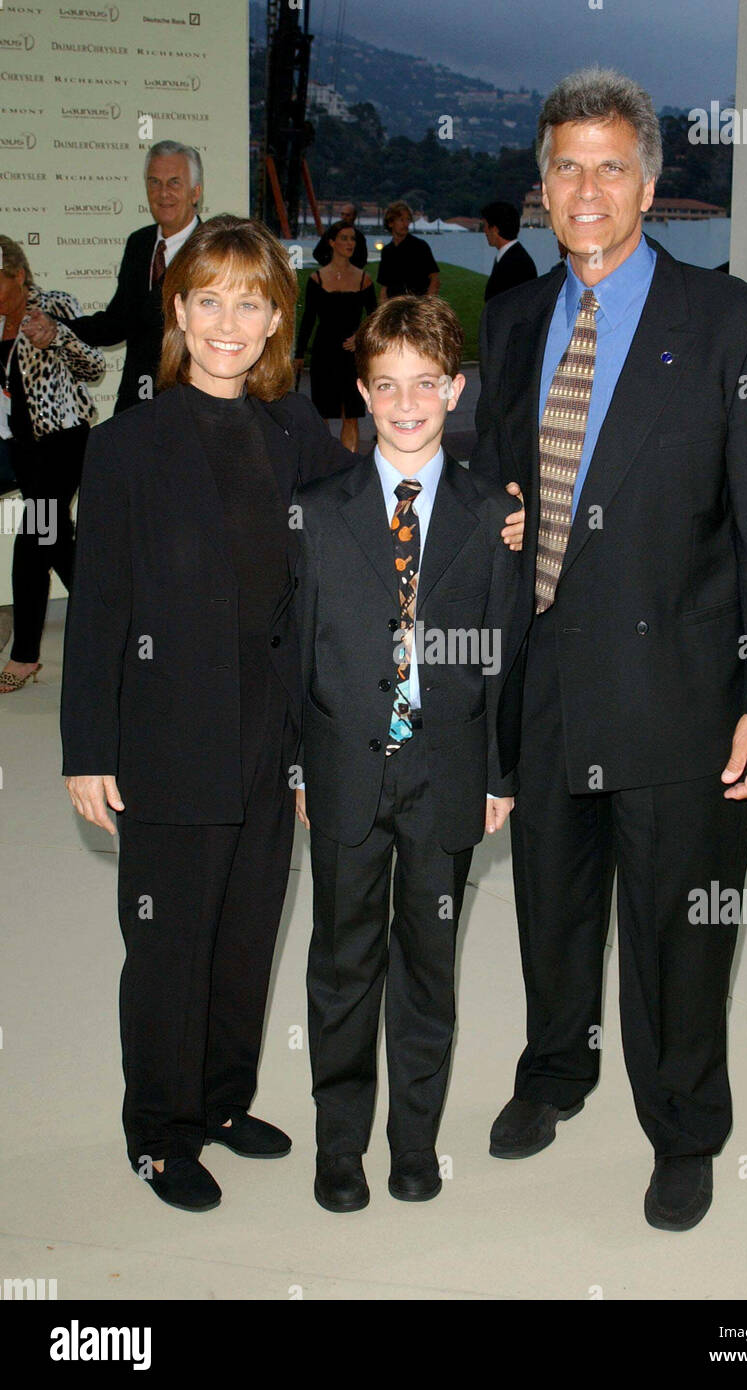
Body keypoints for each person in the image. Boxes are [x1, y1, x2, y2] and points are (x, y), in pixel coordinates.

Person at [470, 66, 747, 1231]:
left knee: (679, 926)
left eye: (611, 165)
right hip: (551, 676)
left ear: (652, 184)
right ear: (541, 181)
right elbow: (494, 473)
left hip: (683, 688)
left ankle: (684, 1126)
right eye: (565, 163)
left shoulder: (735, 324)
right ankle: (555, 1070)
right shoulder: (515, 317)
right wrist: (504, 511)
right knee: (552, 907)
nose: (586, 188)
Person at [60, 214, 355, 1214]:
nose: (231, 319)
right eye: (210, 297)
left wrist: (484, 510)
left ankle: (224, 1099)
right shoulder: (128, 443)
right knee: (170, 943)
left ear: (279, 316)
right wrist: (87, 747)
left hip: (271, 736)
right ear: (180, 310)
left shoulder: (293, 430)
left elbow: (367, 523)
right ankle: (160, 1129)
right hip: (167, 736)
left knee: (245, 928)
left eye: (253, 299)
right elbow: (98, 606)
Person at [294, 295, 520, 1213]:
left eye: (426, 384)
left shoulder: (490, 511)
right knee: (343, 964)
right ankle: (338, 1146)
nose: (407, 402)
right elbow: (294, 650)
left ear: (455, 390)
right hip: (345, 771)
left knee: (429, 965)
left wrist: (500, 776)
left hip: (449, 775)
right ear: (362, 391)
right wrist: (299, 765)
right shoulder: (317, 511)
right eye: (386, 386)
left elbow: (505, 651)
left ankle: (413, 1143)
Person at [0, 237, 104, 693]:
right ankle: (111, 620)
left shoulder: (55, 306)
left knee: (32, 539)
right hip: (19, 450)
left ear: (18, 275)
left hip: (63, 442)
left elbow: (95, 366)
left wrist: (57, 336)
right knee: (57, 540)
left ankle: (24, 656)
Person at [68, 141, 203, 413]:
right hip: (134, 403)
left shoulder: (210, 250)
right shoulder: (138, 244)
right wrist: (57, 326)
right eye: (154, 182)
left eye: (174, 183)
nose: (163, 193)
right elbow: (117, 322)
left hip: (189, 405)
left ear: (195, 192)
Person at [295, 221, 377, 452]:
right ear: (331, 242)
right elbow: (308, 319)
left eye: (353, 239)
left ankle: (348, 467)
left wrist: (360, 336)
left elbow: (374, 318)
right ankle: (325, 466)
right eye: (344, 238)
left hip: (352, 354)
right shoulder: (316, 279)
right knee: (323, 413)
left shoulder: (364, 279)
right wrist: (299, 354)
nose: (350, 243)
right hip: (324, 351)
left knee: (350, 415)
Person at [377, 202, 440, 303]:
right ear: (390, 223)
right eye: (401, 220)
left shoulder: (420, 246)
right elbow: (384, 286)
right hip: (394, 306)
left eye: (408, 220)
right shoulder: (387, 251)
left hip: (418, 304)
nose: (405, 224)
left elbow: (434, 278)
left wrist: (428, 304)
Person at [481, 201, 538, 302]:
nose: (484, 231)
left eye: (485, 226)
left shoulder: (517, 263)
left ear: (494, 229)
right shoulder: (515, 258)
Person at [312, 202, 368, 269]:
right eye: (342, 214)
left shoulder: (359, 237)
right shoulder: (331, 232)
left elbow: (362, 259)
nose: (344, 217)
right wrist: (330, 265)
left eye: (347, 215)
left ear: (354, 217)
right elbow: (317, 253)